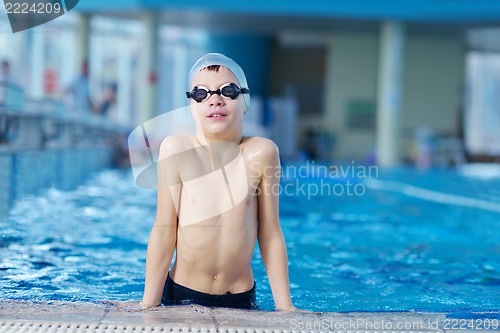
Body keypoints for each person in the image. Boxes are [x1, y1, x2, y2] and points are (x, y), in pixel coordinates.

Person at [140, 53, 297, 311]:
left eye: (228, 90)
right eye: (201, 94)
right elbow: (164, 230)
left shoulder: (262, 152)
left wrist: (285, 308)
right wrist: (148, 304)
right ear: (191, 105)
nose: (215, 100)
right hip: (182, 294)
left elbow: (270, 232)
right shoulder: (176, 150)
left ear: (245, 100)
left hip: (240, 297)